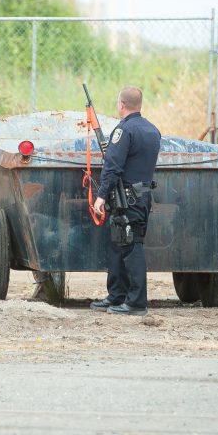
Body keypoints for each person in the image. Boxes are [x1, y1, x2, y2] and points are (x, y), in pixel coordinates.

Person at [89, 86, 161, 315]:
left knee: (131, 247)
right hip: (141, 197)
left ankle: (136, 303)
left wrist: (100, 196)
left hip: (127, 198)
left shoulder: (124, 131)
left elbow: (112, 166)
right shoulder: (153, 130)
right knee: (119, 245)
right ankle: (117, 295)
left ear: (121, 104)